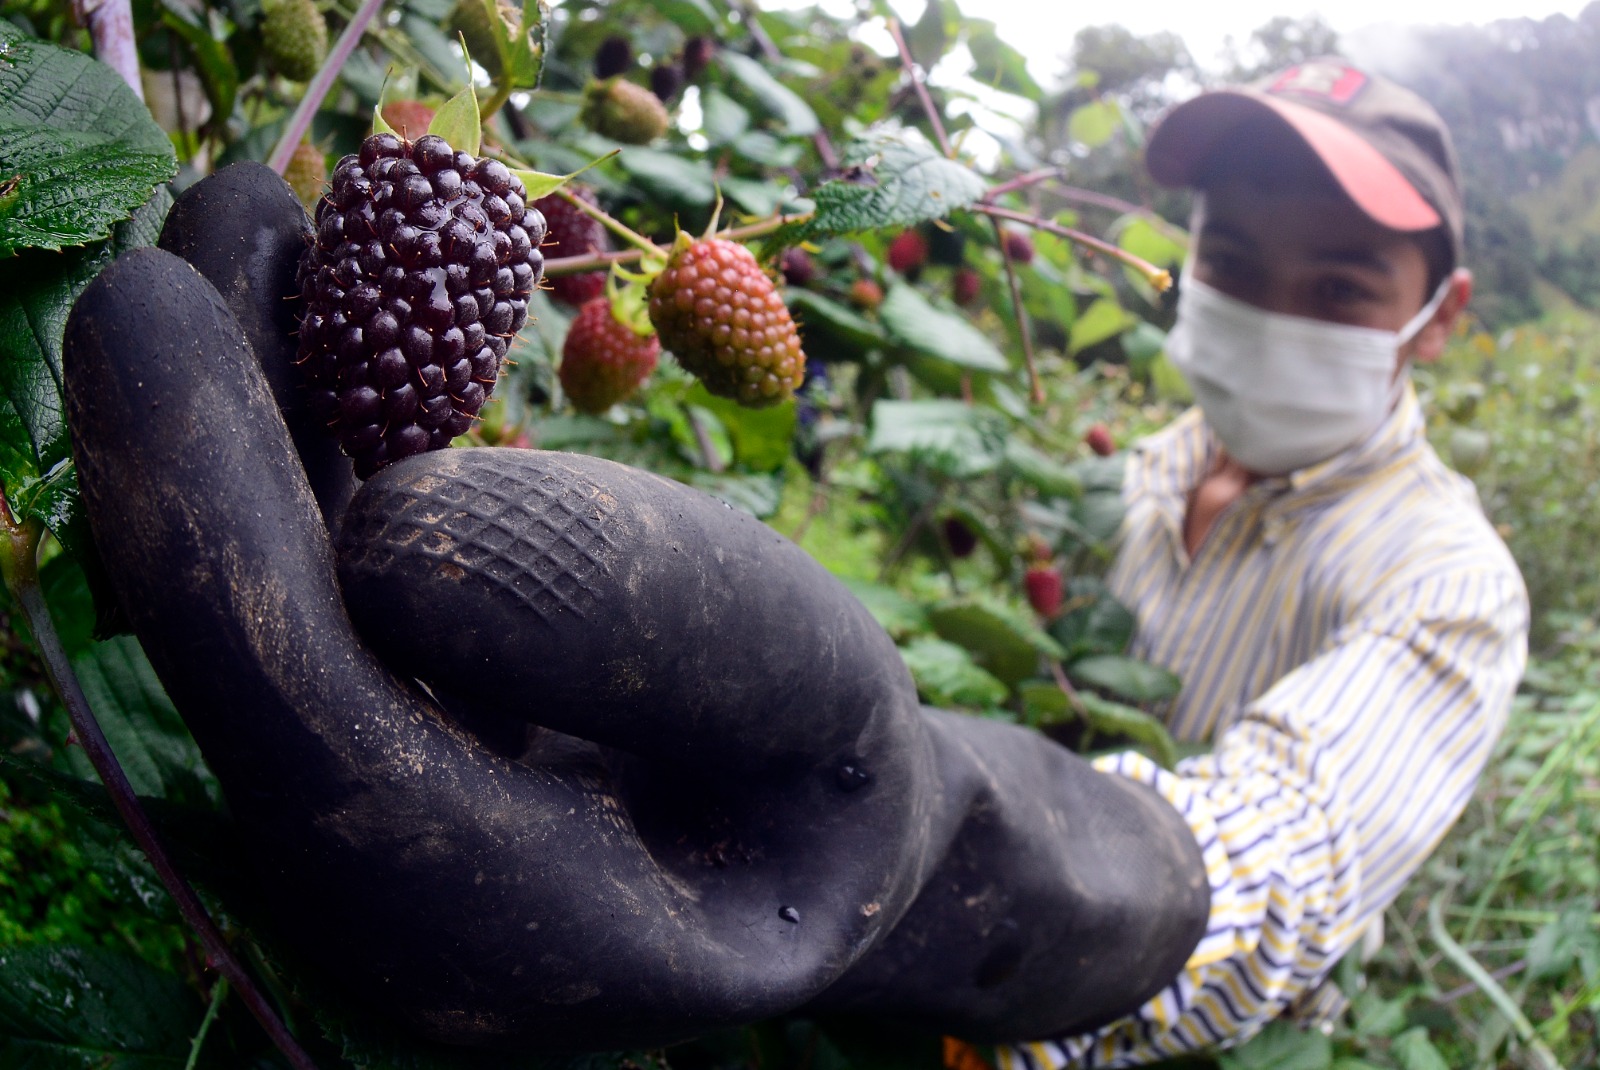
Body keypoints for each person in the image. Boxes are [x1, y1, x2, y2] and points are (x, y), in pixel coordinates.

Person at [1001, 59, 1529, 1067]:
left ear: (1441, 316)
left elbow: (1284, 847)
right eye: (1232, 267)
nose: (1272, 317)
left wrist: (996, 910)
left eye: (1337, 288)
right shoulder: (1136, 473)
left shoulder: (1448, 580)